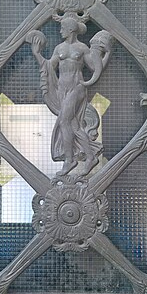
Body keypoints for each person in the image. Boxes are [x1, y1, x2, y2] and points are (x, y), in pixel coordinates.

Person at [26, 14, 113, 177]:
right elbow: (49, 66)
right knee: (73, 126)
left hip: (77, 87)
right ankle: (90, 156)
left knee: (65, 121)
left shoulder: (82, 48)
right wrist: (36, 53)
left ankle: (69, 160)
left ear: (71, 29)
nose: (60, 31)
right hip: (62, 89)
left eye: (63, 28)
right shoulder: (59, 48)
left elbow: (95, 68)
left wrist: (107, 52)